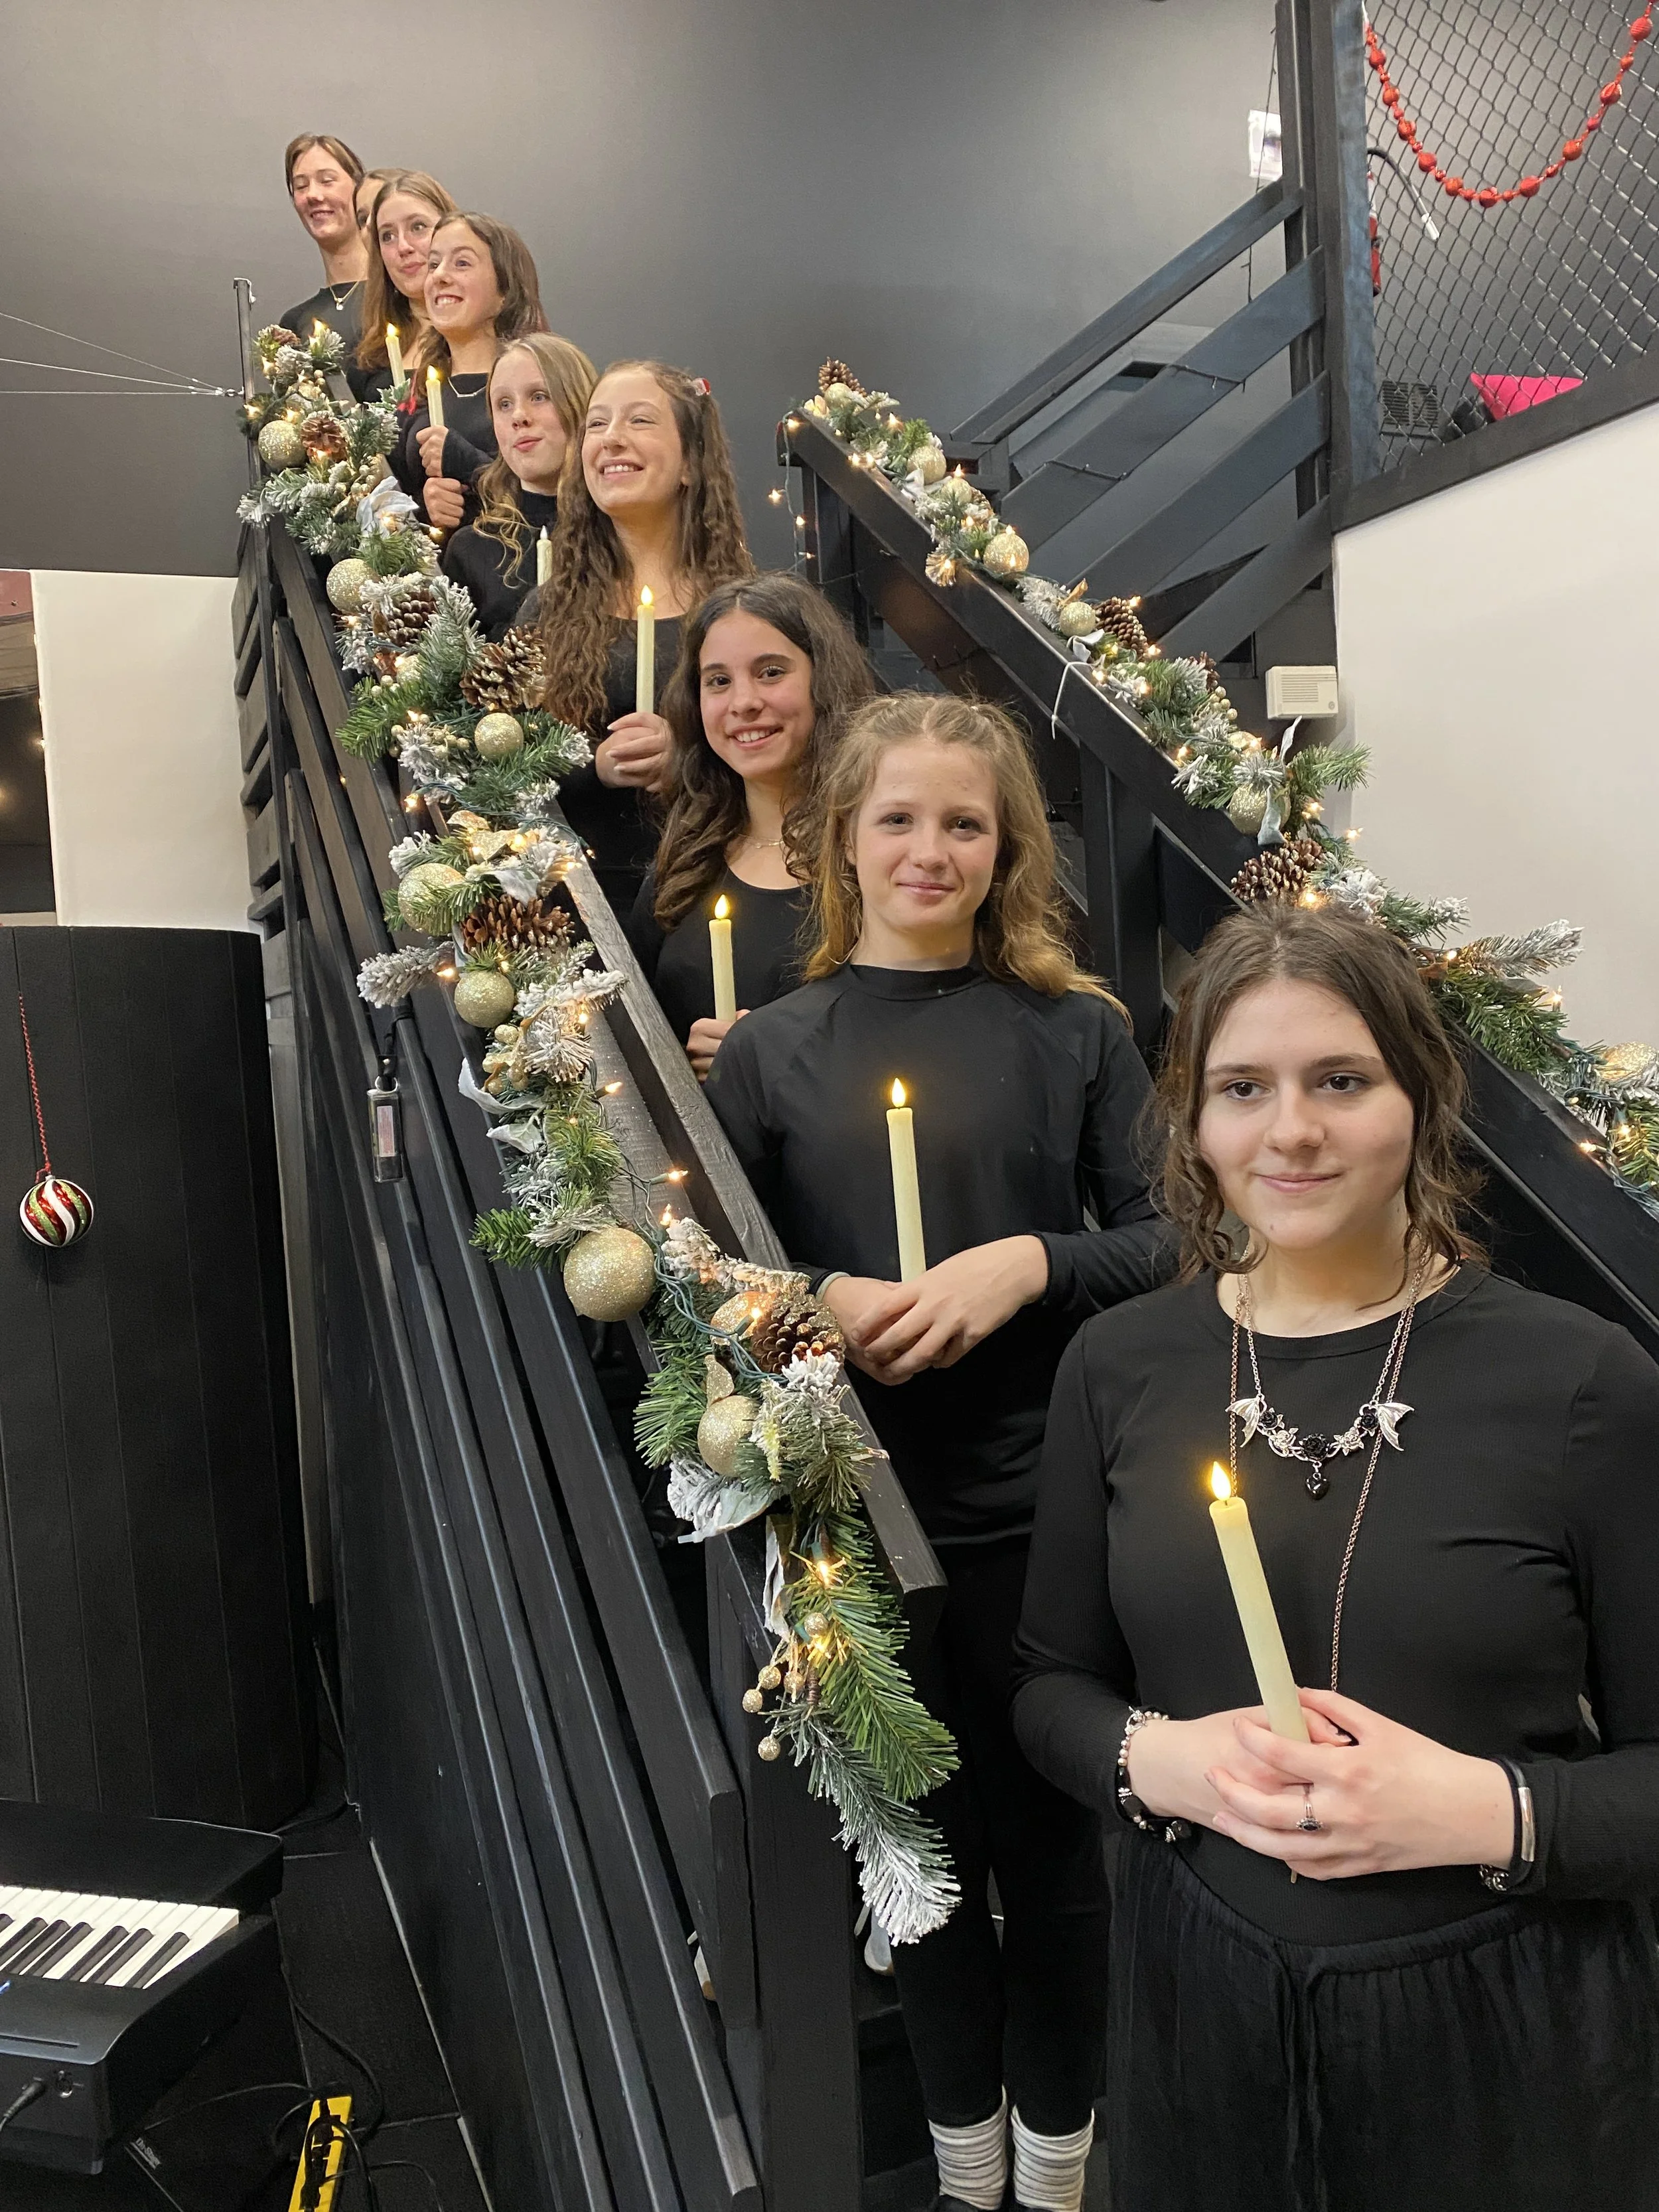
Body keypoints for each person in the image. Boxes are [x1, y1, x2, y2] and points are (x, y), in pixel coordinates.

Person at [1011, 902, 1659, 2212]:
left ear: (1418, 1098)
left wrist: (1487, 1807)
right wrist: (1161, 1760)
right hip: (1198, 2010)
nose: (1288, 1130)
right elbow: (1045, 1688)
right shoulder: (1119, 1365)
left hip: (1499, 2026)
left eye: (1339, 1081)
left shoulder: (1579, 1378)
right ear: (1191, 1120)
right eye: (1241, 1087)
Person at [706, 692, 1172, 2212]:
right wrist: (813, 1295)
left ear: (1008, 847)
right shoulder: (776, 1050)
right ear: (841, 838)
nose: (929, 848)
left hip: (1046, 1514)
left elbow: (1179, 1238)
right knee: (914, 1860)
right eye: (896, 819)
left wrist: (1029, 1263)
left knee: (1050, 1860)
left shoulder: (1078, 1032)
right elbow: (707, 1274)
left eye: (963, 822)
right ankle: (964, 2168)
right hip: (856, 1515)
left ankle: (1058, 2171)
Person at [624, 572, 871, 1075]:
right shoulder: (688, 854)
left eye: (771, 672)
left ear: (824, 679)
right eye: (718, 681)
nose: (743, 703)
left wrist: (765, 1056)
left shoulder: (875, 856)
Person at [526, 361, 751, 913]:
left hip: (714, 891)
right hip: (579, 902)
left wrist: (692, 756)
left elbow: (797, 753)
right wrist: (594, 766)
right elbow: (507, 760)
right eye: (596, 425)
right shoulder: (549, 609)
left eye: (640, 421)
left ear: (691, 463)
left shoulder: (746, 607)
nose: (612, 439)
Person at [389, 212, 546, 533]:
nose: (440, 276)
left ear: (505, 291)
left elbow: (555, 501)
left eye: (461, 263)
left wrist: (466, 463)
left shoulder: (539, 384)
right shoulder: (416, 391)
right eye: (434, 264)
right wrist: (425, 509)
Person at [441, 334, 597, 638]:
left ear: (581, 406)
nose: (519, 417)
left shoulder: (625, 536)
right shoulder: (471, 551)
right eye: (504, 404)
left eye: (539, 396)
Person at [352, 170, 457, 400]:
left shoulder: (492, 339)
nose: (403, 247)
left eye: (418, 227)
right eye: (387, 236)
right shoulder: (371, 353)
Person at [278, 135, 368, 353]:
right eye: (300, 186)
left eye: (327, 181)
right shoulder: (295, 323)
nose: (313, 195)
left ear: (360, 189)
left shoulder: (401, 301)